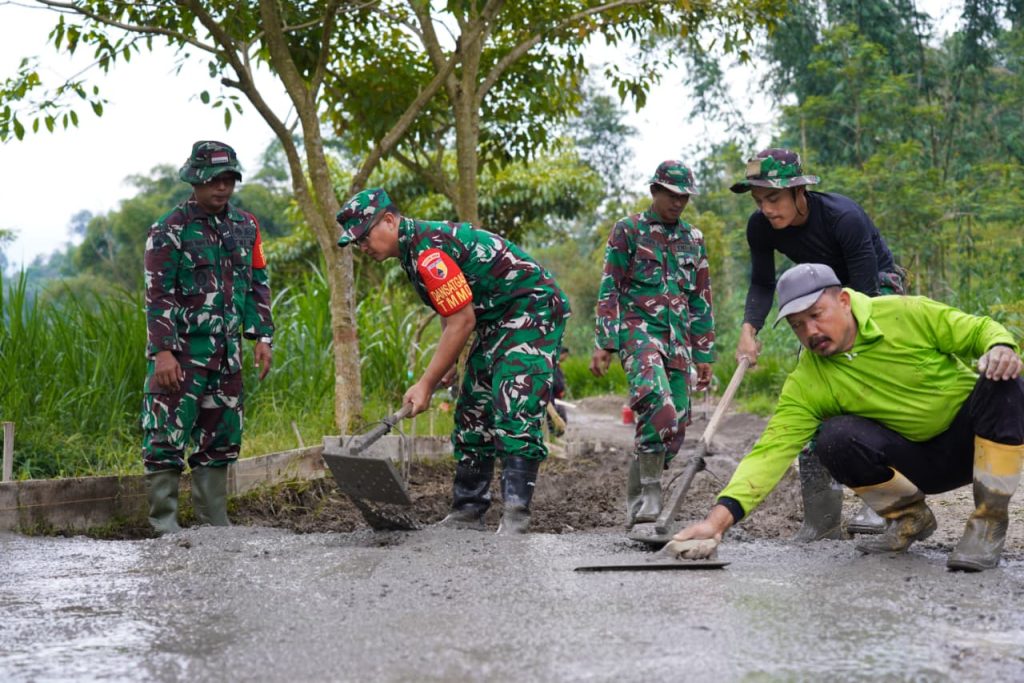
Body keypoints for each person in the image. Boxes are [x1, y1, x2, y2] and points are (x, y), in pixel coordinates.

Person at [673, 263, 1024, 572]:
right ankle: (908, 518)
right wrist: (715, 523)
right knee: (834, 438)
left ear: (843, 300)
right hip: (914, 466)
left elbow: (979, 330)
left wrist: (1000, 348)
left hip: (974, 443)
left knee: (1005, 378)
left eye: (816, 315)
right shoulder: (807, 381)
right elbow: (769, 453)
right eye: (797, 325)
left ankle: (988, 523)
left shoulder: (906, 313)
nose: (809, 332)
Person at [335, 188, 570, 534]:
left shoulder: (428, 252)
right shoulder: (412, 253)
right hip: (495, 319)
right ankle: (468, 511)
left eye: (364, 237)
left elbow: (462, 321)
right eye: (356, 242)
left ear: (388, 220)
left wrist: (426, 383)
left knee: (513, 403)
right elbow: (451, 312)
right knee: (473, 406)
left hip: (530, 308)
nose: (362, 247)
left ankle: (516, 517)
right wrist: (446, 365)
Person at [730, 148, 908, 540]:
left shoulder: (843, 217)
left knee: (873, 392)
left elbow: (863, 297)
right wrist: (749, 328)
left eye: (773, 198)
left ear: (799, 191)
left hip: (874, 291)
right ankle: (821, 522)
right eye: (759, 201)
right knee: (814, 401)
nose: (767, 210)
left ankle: (883, 503)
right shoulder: (760, 226)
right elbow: (762, 283)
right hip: (816, 299)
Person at [142, 140, 275, 536]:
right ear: (195, 181)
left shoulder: (245, 226)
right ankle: (164, 525)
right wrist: (163, 351)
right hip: (181, 357)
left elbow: (257, 283)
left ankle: (213, 526)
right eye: (214, 180)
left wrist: (262, 336)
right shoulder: (169, 229)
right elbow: (157, 293)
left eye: (229, 179)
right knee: (166, 437)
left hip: (226, 356)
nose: (222, 187)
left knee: (220, 439)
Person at [590, 160, 715, 528]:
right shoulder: (628, 230)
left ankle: (637, 491)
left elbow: (701, 297)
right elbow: (609, 286)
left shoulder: (694, 238)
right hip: (637, 332)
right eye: (672, 195)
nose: (678, 203)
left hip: (677, 340)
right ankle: (650, 494)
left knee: (676, 423)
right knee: (658, 406)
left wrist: (704, 351)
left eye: (684, 197)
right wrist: (605, 342)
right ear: (655, 191)